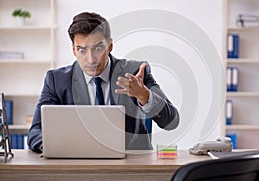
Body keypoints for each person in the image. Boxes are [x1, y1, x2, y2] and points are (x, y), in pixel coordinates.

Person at [28, 12, 179, 153]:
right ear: (73, 49)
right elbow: (35, 132)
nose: (91, 59)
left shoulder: (135, 72)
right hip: (77, 163)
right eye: (82, 50)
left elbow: (171, 121)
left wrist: (144, 96)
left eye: (98, 48)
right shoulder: (56, 80)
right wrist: (54, 147)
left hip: (131, 164)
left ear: (110, 46)